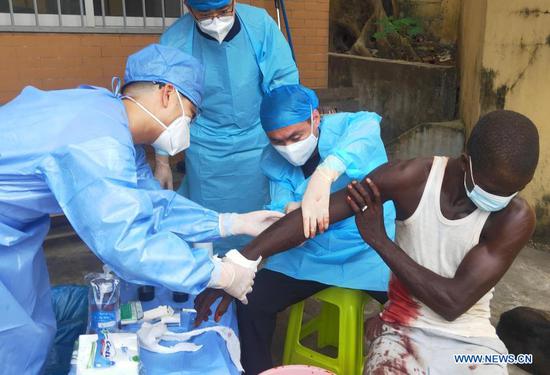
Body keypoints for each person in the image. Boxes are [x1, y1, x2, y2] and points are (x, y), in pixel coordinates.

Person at [0, 43, 283, 374]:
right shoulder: (98, 143)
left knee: (28, 328)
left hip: (14, 231)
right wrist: (218, 273)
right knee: (12, 342)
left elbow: (154, 205)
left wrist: (230, 222)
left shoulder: (111, 123)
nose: (186, 129)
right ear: (166, 94)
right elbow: (127, 241)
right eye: (189, 115)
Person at [194, 110, 539, 374]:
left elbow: (452, 303)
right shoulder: (412, 179)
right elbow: (319, 213)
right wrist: (241, 259)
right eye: (490, 189)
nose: (498, 200)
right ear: (466, 163)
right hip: (404, 327)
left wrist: (379, 240)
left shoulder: (516, 217)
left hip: (472, 339)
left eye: (510, 193)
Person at [234, 84, 395, 373]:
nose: (288, 148)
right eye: (277, 141)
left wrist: (326, 172)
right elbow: (280, 202)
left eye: (295, 136)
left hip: (366, 248)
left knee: (418, 309)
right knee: (250, 303)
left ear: (315, 118)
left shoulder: (351, 126)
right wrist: (286, 211)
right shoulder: (272, 160)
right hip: (310, 252)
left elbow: (367, 129)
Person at [157, 0, 299, 254]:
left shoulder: (260, 25)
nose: (216, 21)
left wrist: (288, 138)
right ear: (189, 9)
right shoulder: (175, 40)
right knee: (210, 225)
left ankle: (259, 258)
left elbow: (283, 85)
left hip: (258, 139)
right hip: (205, 148)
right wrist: (161, 161)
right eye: (205, 14)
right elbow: (163, 105)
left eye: (223, 12)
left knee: (263, 219)